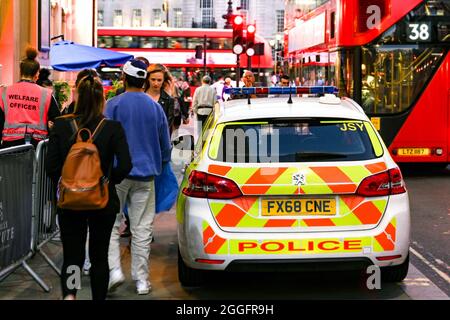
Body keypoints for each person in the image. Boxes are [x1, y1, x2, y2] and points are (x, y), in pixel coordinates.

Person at [46, 74, 132, 300]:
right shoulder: (112, 128)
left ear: (77, 96)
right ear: (101, 100)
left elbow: (51, 166)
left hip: (70, 204)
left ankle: (70, 296)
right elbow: (125, 165)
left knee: (72, 257)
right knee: (99, 258)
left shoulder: (62, 125)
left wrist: (68, 184)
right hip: (102, 203)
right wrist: (106, 182)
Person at [105, 59, 172, 295]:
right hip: (146, 176)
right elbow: (165, 146)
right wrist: (161, 164)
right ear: (145, 81)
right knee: (142, 228)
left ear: (124, 79)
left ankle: (114, 271)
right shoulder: (155, 108)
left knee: (111, 225)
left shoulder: (112, 105)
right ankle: (142, 280)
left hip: (116, 176)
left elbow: (102, 139)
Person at [0, 47, 60, 149]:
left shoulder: (4, 92)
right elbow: (57, 122)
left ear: (20, 71)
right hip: (37, 147)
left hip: (9, 148)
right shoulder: (46, 94)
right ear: (37, 74)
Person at [145, 63, 177, 136]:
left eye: (159, 80)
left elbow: (168, 125)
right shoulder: (139, 97)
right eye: (153, 79)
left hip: (159, 141)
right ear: (148, 79)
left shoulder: (169, 100)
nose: (156, 83)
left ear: (163, 81)